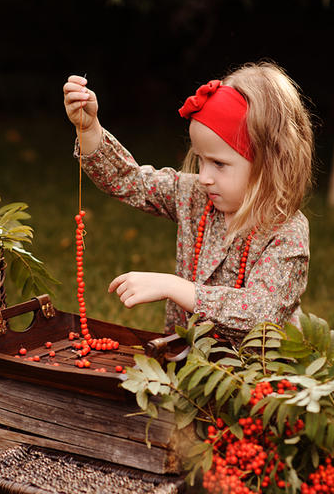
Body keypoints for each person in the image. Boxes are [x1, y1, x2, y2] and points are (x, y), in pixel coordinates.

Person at [62, 62, 314, 342]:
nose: (204, 176)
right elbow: (129, 181)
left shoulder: (286, 231)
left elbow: (262, 311)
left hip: (256, 374)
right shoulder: (195, 196)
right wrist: (89, 128)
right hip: (187, 363)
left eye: (219, 163)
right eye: (201, 159)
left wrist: (176, 288)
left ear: (269, 164)